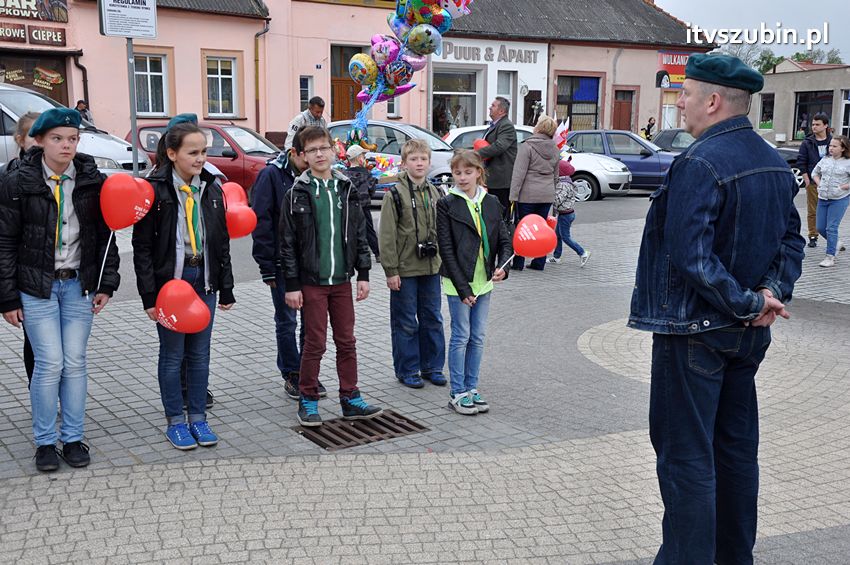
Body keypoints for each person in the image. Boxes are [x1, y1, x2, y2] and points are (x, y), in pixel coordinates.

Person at [629, 54, 805, 564]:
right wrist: (770, 294)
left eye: (685, 94)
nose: (678, 103)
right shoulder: (773, 160)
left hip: (696, 334)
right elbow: (791, 243)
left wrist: (751, 302)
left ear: (712, 101)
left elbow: (691, 255)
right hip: (747, 336)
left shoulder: (699, 161)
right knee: (734, 454)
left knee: (687, 460)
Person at [0, 108, 120, 472]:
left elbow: (106, 237)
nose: (66, 145)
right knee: (49, 363)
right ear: (38, 140)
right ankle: (45, 443)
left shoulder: (90, 180)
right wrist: (6, 297)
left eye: (72, 138)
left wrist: (106, 283)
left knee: (75, 362)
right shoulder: (17, 182)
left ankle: (72, 437)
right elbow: (4, 242)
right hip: (37, 288)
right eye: (57, 138)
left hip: (77, 287)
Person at [132, 122, 235, 450]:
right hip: (171, 286)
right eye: (193, 152)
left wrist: (227, 287)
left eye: (204, 151)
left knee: (200, 355)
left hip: (203, 282)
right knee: (173, 354)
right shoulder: (155, 190)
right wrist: (149, 296)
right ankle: (176, 420)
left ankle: (199, 419)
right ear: (172, 153)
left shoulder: (211, 187)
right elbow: (143, 248)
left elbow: (221, 241)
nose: (201, 158)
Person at [280, 126, 383, 427]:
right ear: (302, 156)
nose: (319, 154)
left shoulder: (345, 188)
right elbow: (287, 244)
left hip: (341, 281)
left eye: (324, 147)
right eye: (312, 150)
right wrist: (292, 285)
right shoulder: (296, 193)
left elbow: (360, 233)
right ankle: (308, 400)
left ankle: (350, 398)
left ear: (334, 150)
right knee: (315, 343)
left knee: (347, 341)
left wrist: (363, 274)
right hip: (312, 283)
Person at [437, 150, 512, 415]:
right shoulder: (447, 204)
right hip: (458, 283)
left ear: (479, 172)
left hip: (484, 282)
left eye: (468, 172)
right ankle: (457, 392)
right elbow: (445, 249)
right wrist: (463, 288)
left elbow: (505, 239)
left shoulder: (491, 202)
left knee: (478, 337)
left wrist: (504, 267)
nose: (462, 177)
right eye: (457, 173)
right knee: (461, 335)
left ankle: (471, 387)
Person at [251, 127, 316, 399]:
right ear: (294, 153)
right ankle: (291, 373)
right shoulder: (271, 175)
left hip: (311, 263)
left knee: (310, 321)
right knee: (287, 320)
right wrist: (266, 264)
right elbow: (261, 221)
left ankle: (308, 372)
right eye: (308, 155)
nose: (314, 160)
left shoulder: (315, 177)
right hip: (280, 262)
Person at [379, 138, 446, 389]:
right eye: (414, 159)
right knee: (406, 321)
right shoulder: (395, 195)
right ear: (404, 163)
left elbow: (443, 230)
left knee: (433, 318)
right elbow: (387, 236)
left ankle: (432, 367)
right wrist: (391, 270)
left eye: (423, 159)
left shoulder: (436, 192)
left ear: (429, 163)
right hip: (405, 269)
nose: (419, 163)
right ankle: (407, 369)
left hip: (431, 267)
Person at [0, 112, 40, 387]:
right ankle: (38, 388)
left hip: (60, 277)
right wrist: (8, 296)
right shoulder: (9, 177)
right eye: (34, 138)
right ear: (20, 140)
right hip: (27, 277)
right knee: (34, 340)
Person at [509, 115, 560, 271]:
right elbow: (556, 176)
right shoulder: (556, 149)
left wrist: (513, 196)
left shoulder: (527, 146)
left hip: (527, 195)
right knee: (542, 228)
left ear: (538, 127)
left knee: (522, 227)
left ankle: (518, 262)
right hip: (546, 195)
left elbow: (519, 174)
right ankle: (539, 262)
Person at [812, 135, 850, 267]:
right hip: (823, 197)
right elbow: (814, 173)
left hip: (839, 199)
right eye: (830, 146)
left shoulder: (848, 163)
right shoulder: (825, 160)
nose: (831, 148)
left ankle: (830, 257)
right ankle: (836, 243)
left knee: (831, 228)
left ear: (843, 148)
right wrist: (819, 183)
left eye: (835, 146)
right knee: (820, 227)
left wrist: (842, 187)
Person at [476, 97, 517, 217]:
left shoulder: (506, 126)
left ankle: (503, 235)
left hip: (502, 181)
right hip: (494, 179)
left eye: (493, 106)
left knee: (501, 214)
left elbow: (499, 146)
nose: (490, 107)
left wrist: (476, 154)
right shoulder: (494, 125)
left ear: (501, 111)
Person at [797, 112, 833, 248]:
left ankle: (832, 236)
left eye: (817, 124)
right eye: (812, 124)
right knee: (813, 210)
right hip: (812, 182)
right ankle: (813, 235)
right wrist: (806, 180)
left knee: (831, 211)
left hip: (831, 182)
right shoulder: (807, 142)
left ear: (825, 126)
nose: (814, 127)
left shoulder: (833, 142)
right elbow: (801, 162)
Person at [548, 159, 591, 267]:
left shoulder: (563, 185)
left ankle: (582, 253)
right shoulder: (567, 181)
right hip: (566, 213)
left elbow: (558, 199)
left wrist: (549, 196)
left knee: (565, 237)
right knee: (558, 235)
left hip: (565, 215)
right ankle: (556, 257)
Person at [344, 144, 380, 262]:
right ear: (360, 159)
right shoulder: (366, 174)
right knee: (369, 230)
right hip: (364, 207)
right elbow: (372, 189)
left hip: (349, 207)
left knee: (350, 229)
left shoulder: (345, 175)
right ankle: (377, 253)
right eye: (364, 157)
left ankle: (350, 253)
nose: (365, 159)